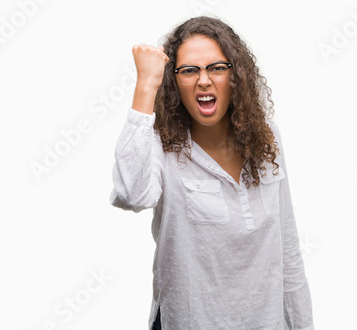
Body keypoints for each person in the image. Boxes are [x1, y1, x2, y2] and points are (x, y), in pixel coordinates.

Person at [109, 15, 315, 330]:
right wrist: (145, 86)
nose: (204, 80)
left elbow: (287, 249)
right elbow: (132, 195)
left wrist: (303, 325)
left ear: (236, 76)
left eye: (217, 68)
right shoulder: (161, 146)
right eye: (189, 70)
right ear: (174, 81)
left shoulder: (267, 138)